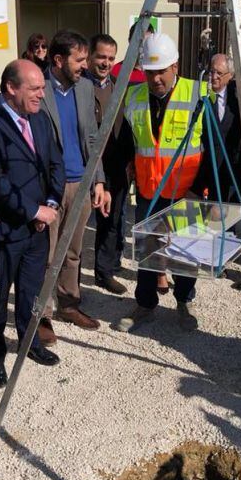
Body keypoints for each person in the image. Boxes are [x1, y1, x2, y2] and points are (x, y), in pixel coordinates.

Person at [0, 59, 64, 388]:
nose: (41, 94)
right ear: (11, 87)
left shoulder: (38, 117)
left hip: (37, 228)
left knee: (30, 293)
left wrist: (50, 203)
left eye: (42, 87)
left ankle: (30, 343)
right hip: (5, 232)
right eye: (34, 88)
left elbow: (55, 162)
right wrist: (32, 212)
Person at [116, 33, 207, 333]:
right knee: (148, 250)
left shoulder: (198, 93)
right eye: (150, 72)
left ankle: (184, 301)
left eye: (161, 71)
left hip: (186, 191)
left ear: (175, 67)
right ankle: (145, 303)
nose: (155, 78)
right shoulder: (134, 95)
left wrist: (200, 187)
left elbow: (216, 149)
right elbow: (130, 141)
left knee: (185, 251)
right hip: (148, 190)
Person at [39, 30, 106, 339]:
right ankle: (41, 314)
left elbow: (93, 138)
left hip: (80, 184)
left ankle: (69, 303)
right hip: (49, 187)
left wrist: (99, 181)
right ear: (58, 60)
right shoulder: (38, 89)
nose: (85, 65)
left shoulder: (84, 88)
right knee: (47, 253)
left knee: (74, 251)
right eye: (79, 60)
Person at [86, 33, 130, 295]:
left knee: (110, 221)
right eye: (101, 57)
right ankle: (68, 283)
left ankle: (105, 272)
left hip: (115, 167)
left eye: (111, 58)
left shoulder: (119, 86)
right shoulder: (79, 87)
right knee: (78, 226)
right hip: (87, 168)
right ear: (90, 56)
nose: (106, 62)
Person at [193, 53, 241, 206]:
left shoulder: (238, 99)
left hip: (230, 169)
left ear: (230, 76)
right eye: (211, 71)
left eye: (219, 73)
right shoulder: (200, 96)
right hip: (204, 168)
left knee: (228, 216)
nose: (213, 76)